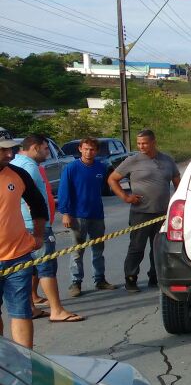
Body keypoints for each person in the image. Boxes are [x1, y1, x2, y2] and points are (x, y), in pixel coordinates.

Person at [13, 135, 84, 323]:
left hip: (25, 225)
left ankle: (31, 306)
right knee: (46, 267)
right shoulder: (29, 167)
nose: (47, 153)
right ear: (35, 148)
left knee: (30, 268)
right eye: (45, 149)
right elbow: (27, 198)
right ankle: (56, 310)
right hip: (35, 226)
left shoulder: (17, 163)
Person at [108, 129, 180, 292]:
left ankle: (155, 277)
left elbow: (178, 183)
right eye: (139, 143)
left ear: (154, 142)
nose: (141, 146)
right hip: (141, 213)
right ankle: (131, 279)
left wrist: (176, 202)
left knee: (159, 247)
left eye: (145, 143)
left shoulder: (167, 160)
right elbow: (112, 179)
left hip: (162, 213)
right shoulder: (132, 160)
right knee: (137, 247)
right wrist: (126, 197)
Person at [0, 138, 48, 348]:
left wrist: (38, 236)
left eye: (10, 149)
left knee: (21, 312)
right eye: (3, 150)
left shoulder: (18, 174)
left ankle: (26, 362)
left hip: (17, 258)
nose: (10, 155)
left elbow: (38, 204)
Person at [58, 137, 117, 297]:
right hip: (77, 216)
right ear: (80, 149)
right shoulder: (71, 168)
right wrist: (65, 213)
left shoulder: (101, 167)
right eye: (85, 149)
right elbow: (64, 191)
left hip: (97, 215)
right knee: (77, 251)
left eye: (92, 149)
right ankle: (75, 283)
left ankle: (100, 280)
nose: (88, 152)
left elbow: (114, 181)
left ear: (96, 151)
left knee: (98, 249)